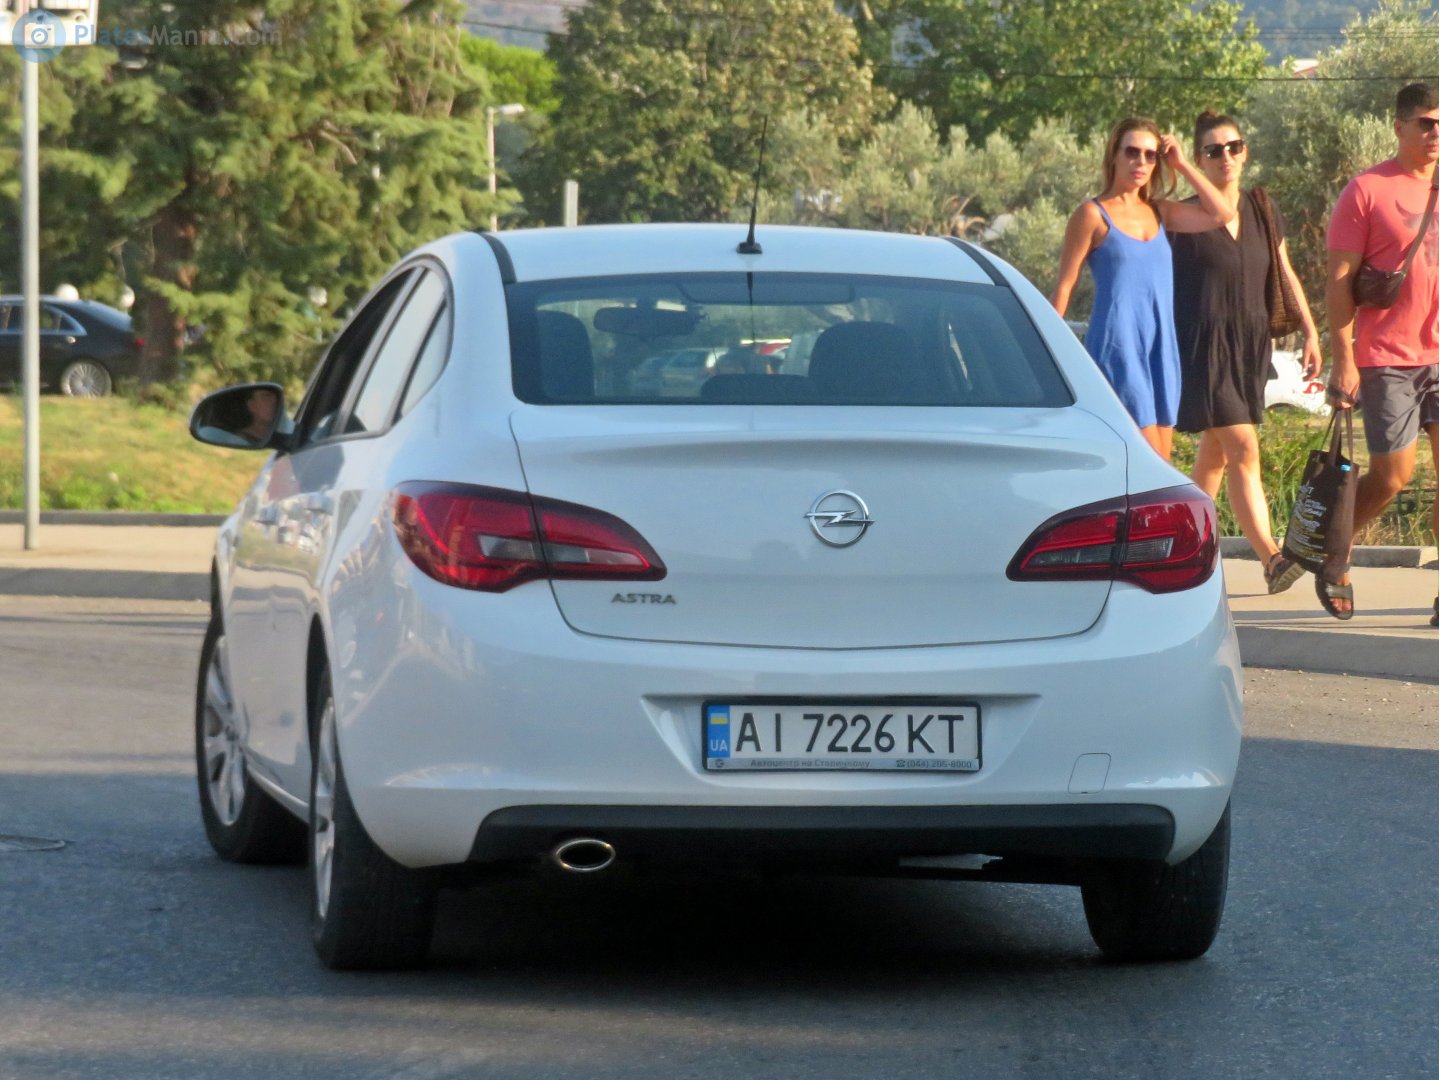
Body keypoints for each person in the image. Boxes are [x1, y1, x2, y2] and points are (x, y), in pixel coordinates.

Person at [1170, 111, 1323, 595]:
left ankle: (1179, 548)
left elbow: (1284, 270)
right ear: (1198, 160)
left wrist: (1311, 330)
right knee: (1243, 446)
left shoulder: (1262, 208)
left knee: (1215, 456)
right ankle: (1271, 557)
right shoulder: (1184, 219)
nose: (1226, 157)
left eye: (1234, 147)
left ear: (1245, 151)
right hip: (1205, 348)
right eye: (1214, 151)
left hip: (1251, 347)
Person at [1052, 117, 1236, 461]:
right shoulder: (1091, 215)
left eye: (1150, 155)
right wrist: (1046, 349)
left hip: (1162, 348)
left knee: (1160, 463)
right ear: (1115, 156)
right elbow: (1065, 286)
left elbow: (1221, 215)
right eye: (1132, 152)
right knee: (1150, 460)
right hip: (1118, 346)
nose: (1140, 162)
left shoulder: (1159, 211)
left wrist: (1180, 163)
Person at [1323, 82, 1439, 621]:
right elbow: (1339, 279)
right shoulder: (1367, 190)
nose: (1435, 132)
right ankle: (1337, 550)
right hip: (1387, 355)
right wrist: (1342, 357)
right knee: (1392, 478)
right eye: (1425, 122)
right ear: (1399, 126)